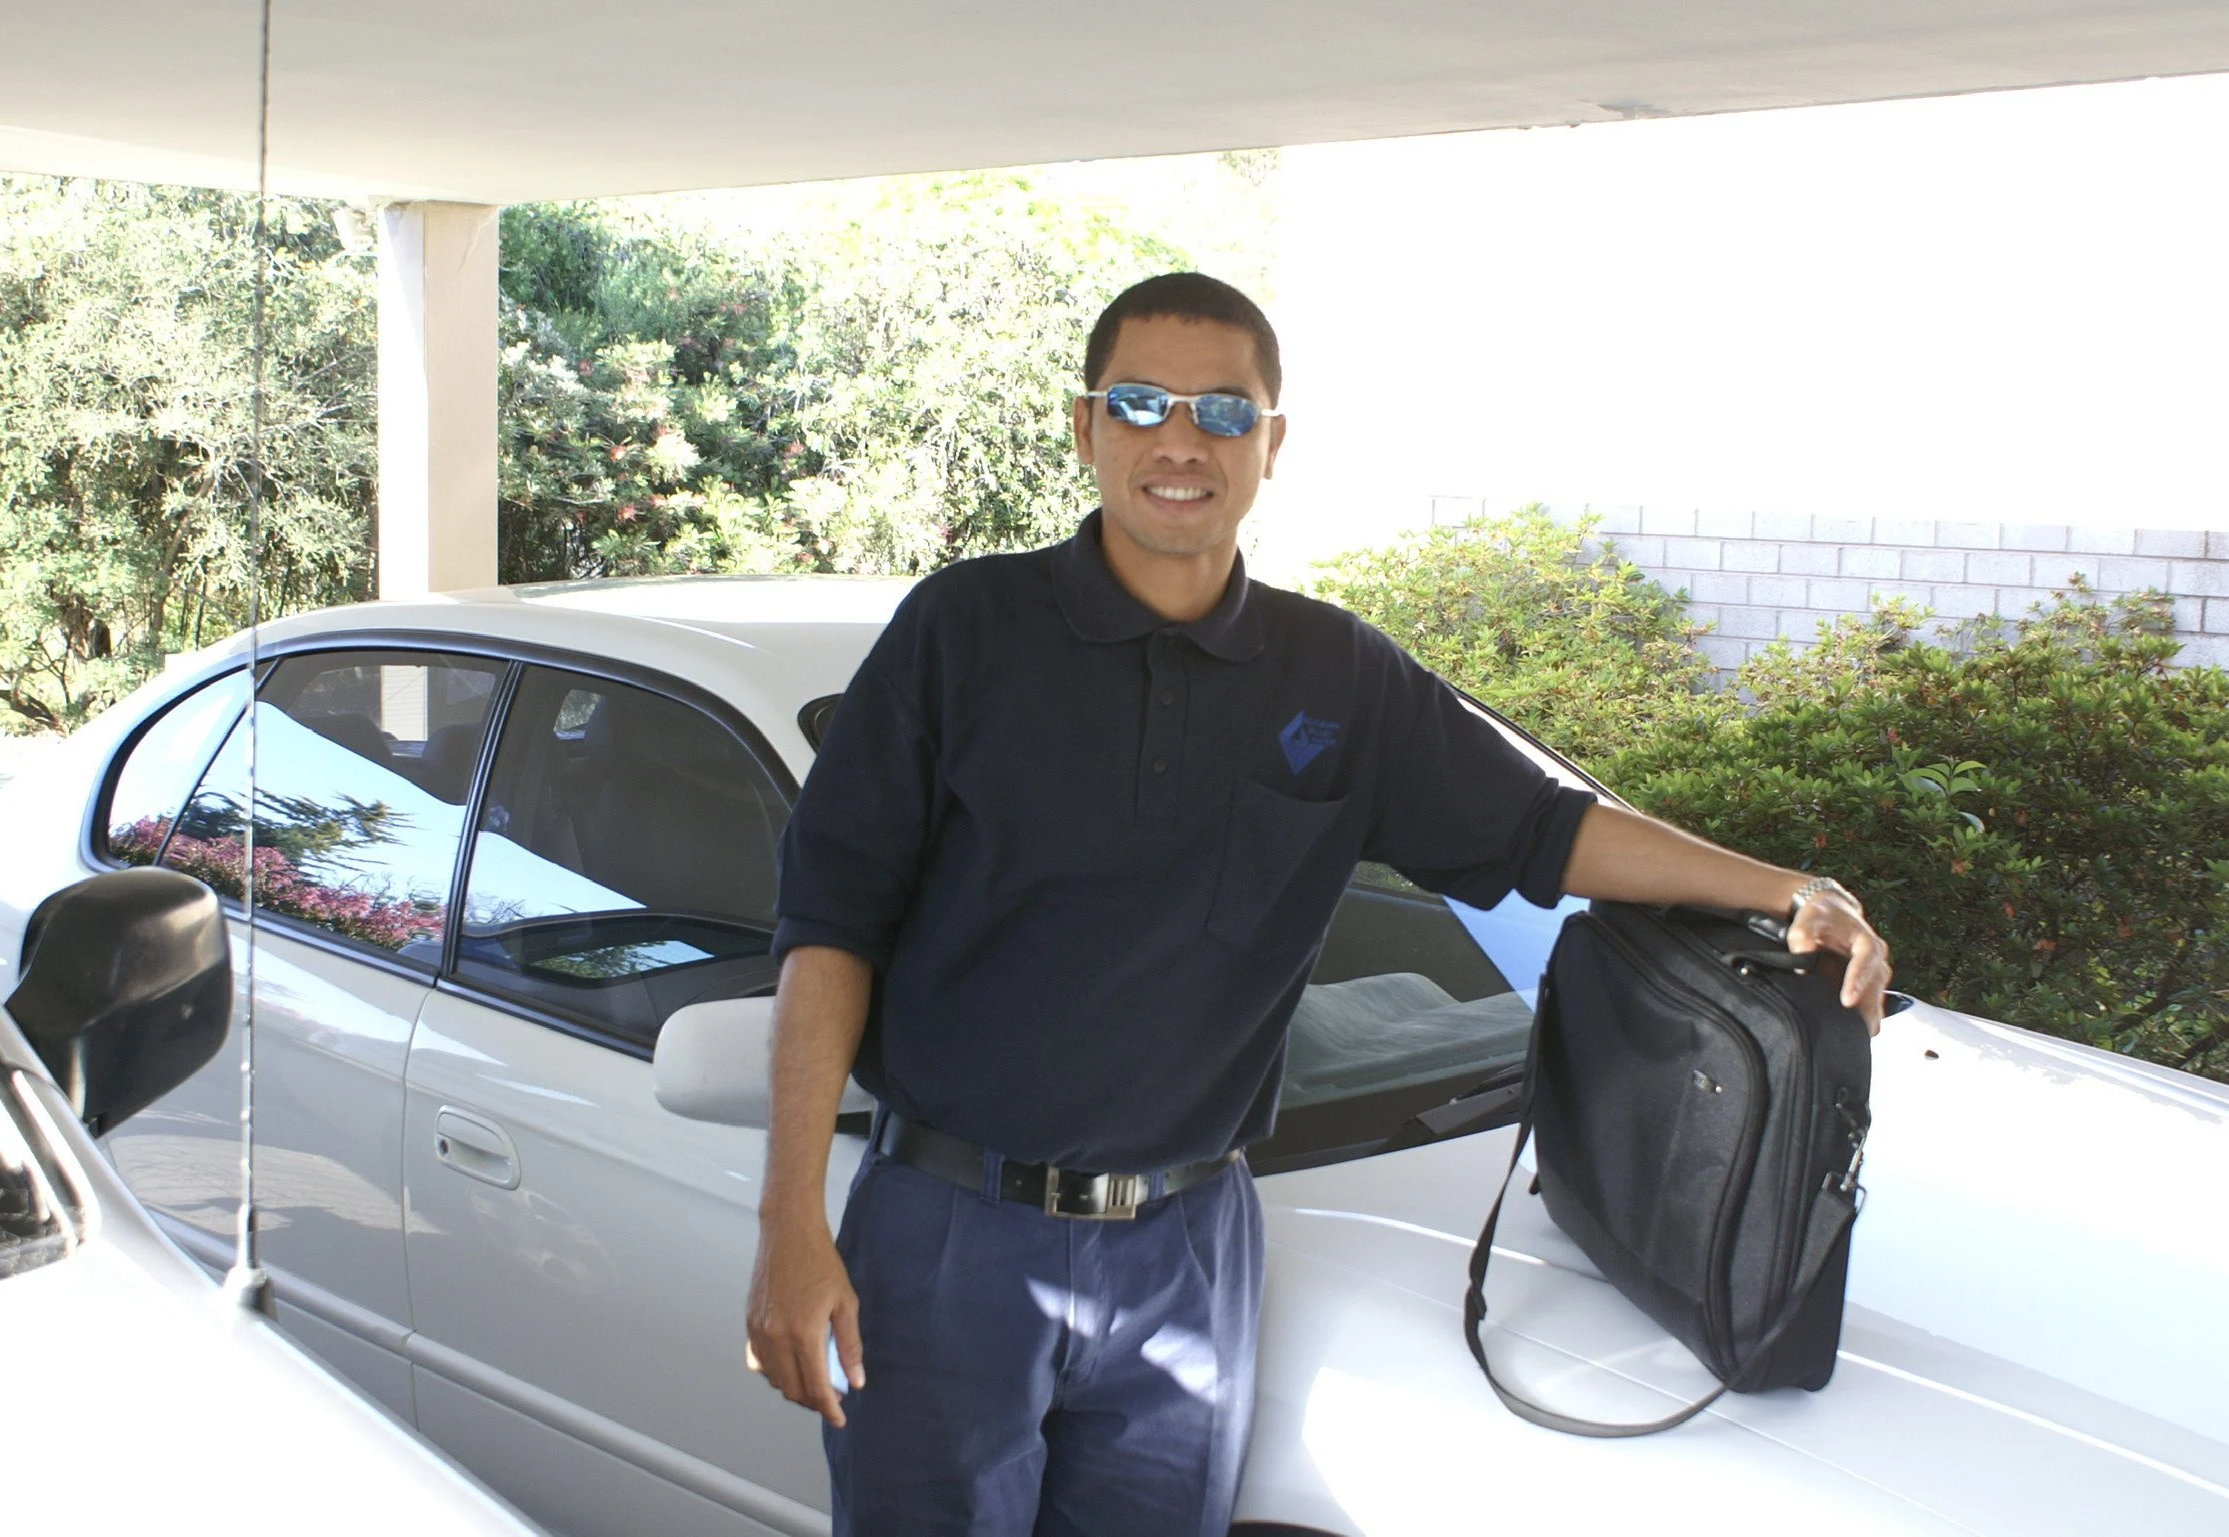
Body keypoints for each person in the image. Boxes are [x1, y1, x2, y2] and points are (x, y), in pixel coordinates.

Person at [747, 272, 1890, 1536]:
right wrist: (790, 1223)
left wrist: (1785, 885)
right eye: (1141, 403)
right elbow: (830, 930)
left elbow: (1542, 827)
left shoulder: (1336, 673)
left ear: (1271, 443)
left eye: (1224, 412)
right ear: (1085, 428)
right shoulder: (961, 632)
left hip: (1191, 1249)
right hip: (952, 1234)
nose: (1181, 441)